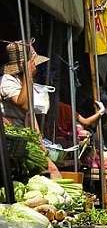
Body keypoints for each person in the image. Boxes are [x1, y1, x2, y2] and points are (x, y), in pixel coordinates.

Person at [0, 41, 62, 179]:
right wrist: (28, 76)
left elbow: (30, 114)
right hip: (12, 144)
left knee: (51, 170)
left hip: (25, 140)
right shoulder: (7, 81)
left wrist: (40, 142)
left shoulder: (21, 80)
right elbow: (24, 105)